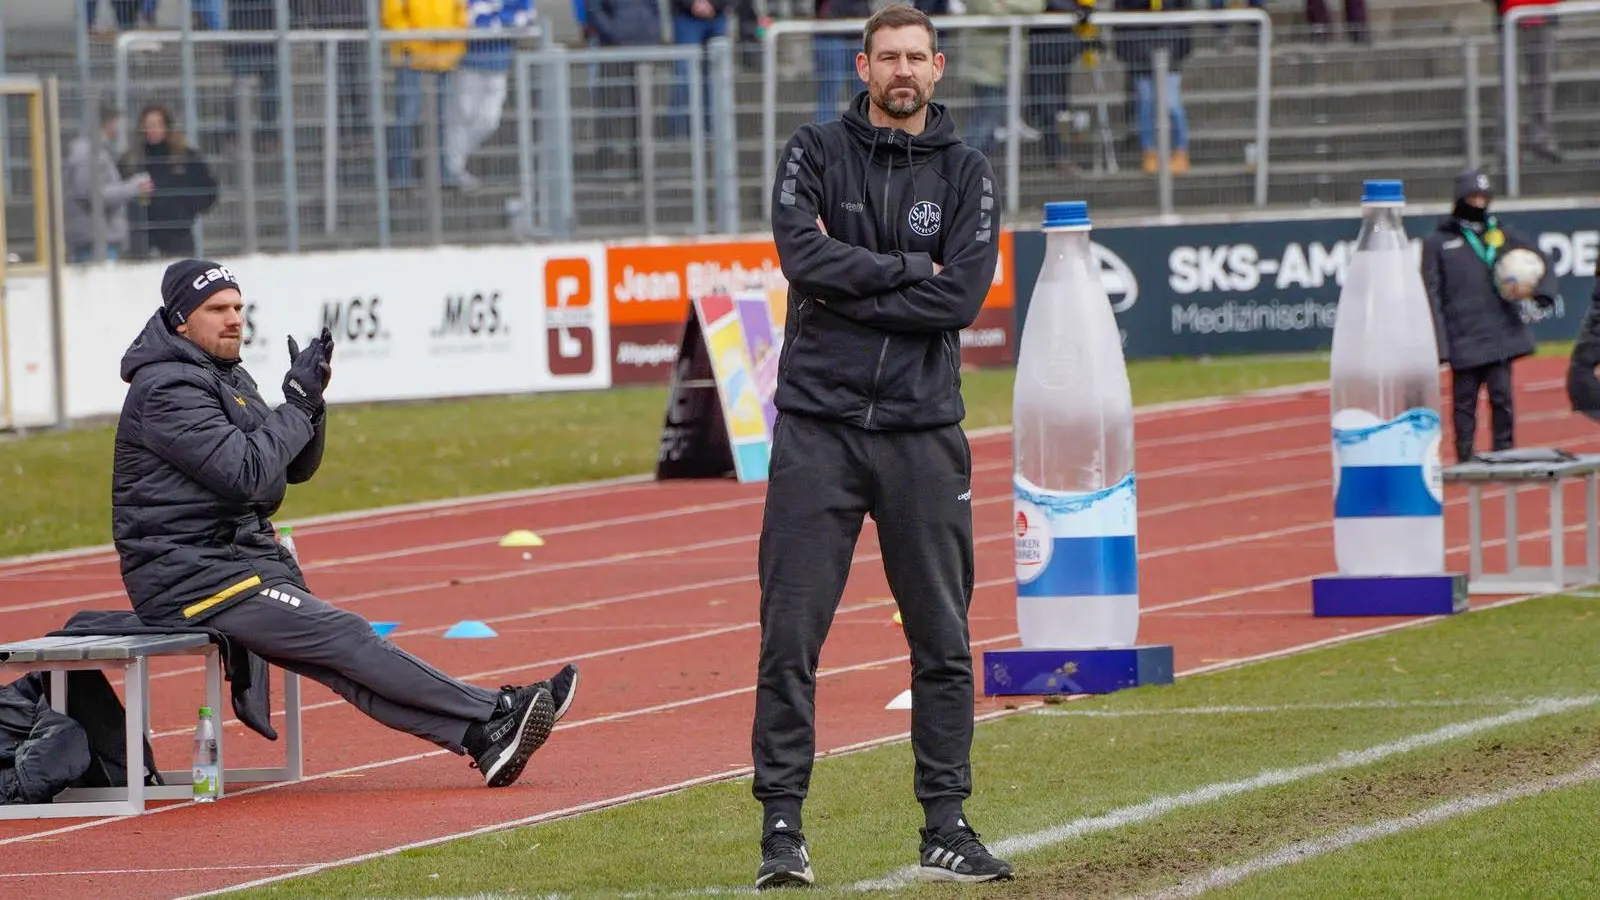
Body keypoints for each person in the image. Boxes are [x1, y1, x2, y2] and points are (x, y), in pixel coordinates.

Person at [111, 259, 578, 788]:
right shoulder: (166, 390)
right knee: (346, 636)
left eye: (238, 307)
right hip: (188, 576)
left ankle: (482, 739)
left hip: (232, 561)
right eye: (217, 309)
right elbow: (248, 473)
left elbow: (293, 467)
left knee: (340, 661)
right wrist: (295, 406)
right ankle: (499, 708)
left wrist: (312, 404)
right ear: (180, 321)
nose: (234, 319)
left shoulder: (225, 375)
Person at [752, 4, 1011, 889]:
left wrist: (850, 281)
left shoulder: (968, 171)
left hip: (923, 434)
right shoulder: (815, 151)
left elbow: (960, 300)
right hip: (817, 432)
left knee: (942, 641)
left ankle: (946, 823)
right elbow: (801, 258)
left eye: (915, 57)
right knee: (790, 640)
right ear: (862, 67)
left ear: (938, 68)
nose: (902, 70)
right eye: (887, 57)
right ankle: (781, 830)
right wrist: (907, 272)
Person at [1422, 169, 1557, 463]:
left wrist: (1543, 293)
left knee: (1502, 399)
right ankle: (1465, 456)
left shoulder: (1501, 235)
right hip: (1463, 336)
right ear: (1460, 199)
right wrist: (1440, 346)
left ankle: (1505, 453)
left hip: (1500, 332)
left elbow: (1540, 260)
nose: (1478, 203)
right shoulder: (1438, 242)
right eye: (1473, 197)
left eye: (1483, 198)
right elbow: (1431, 294)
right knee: (1464, 403)